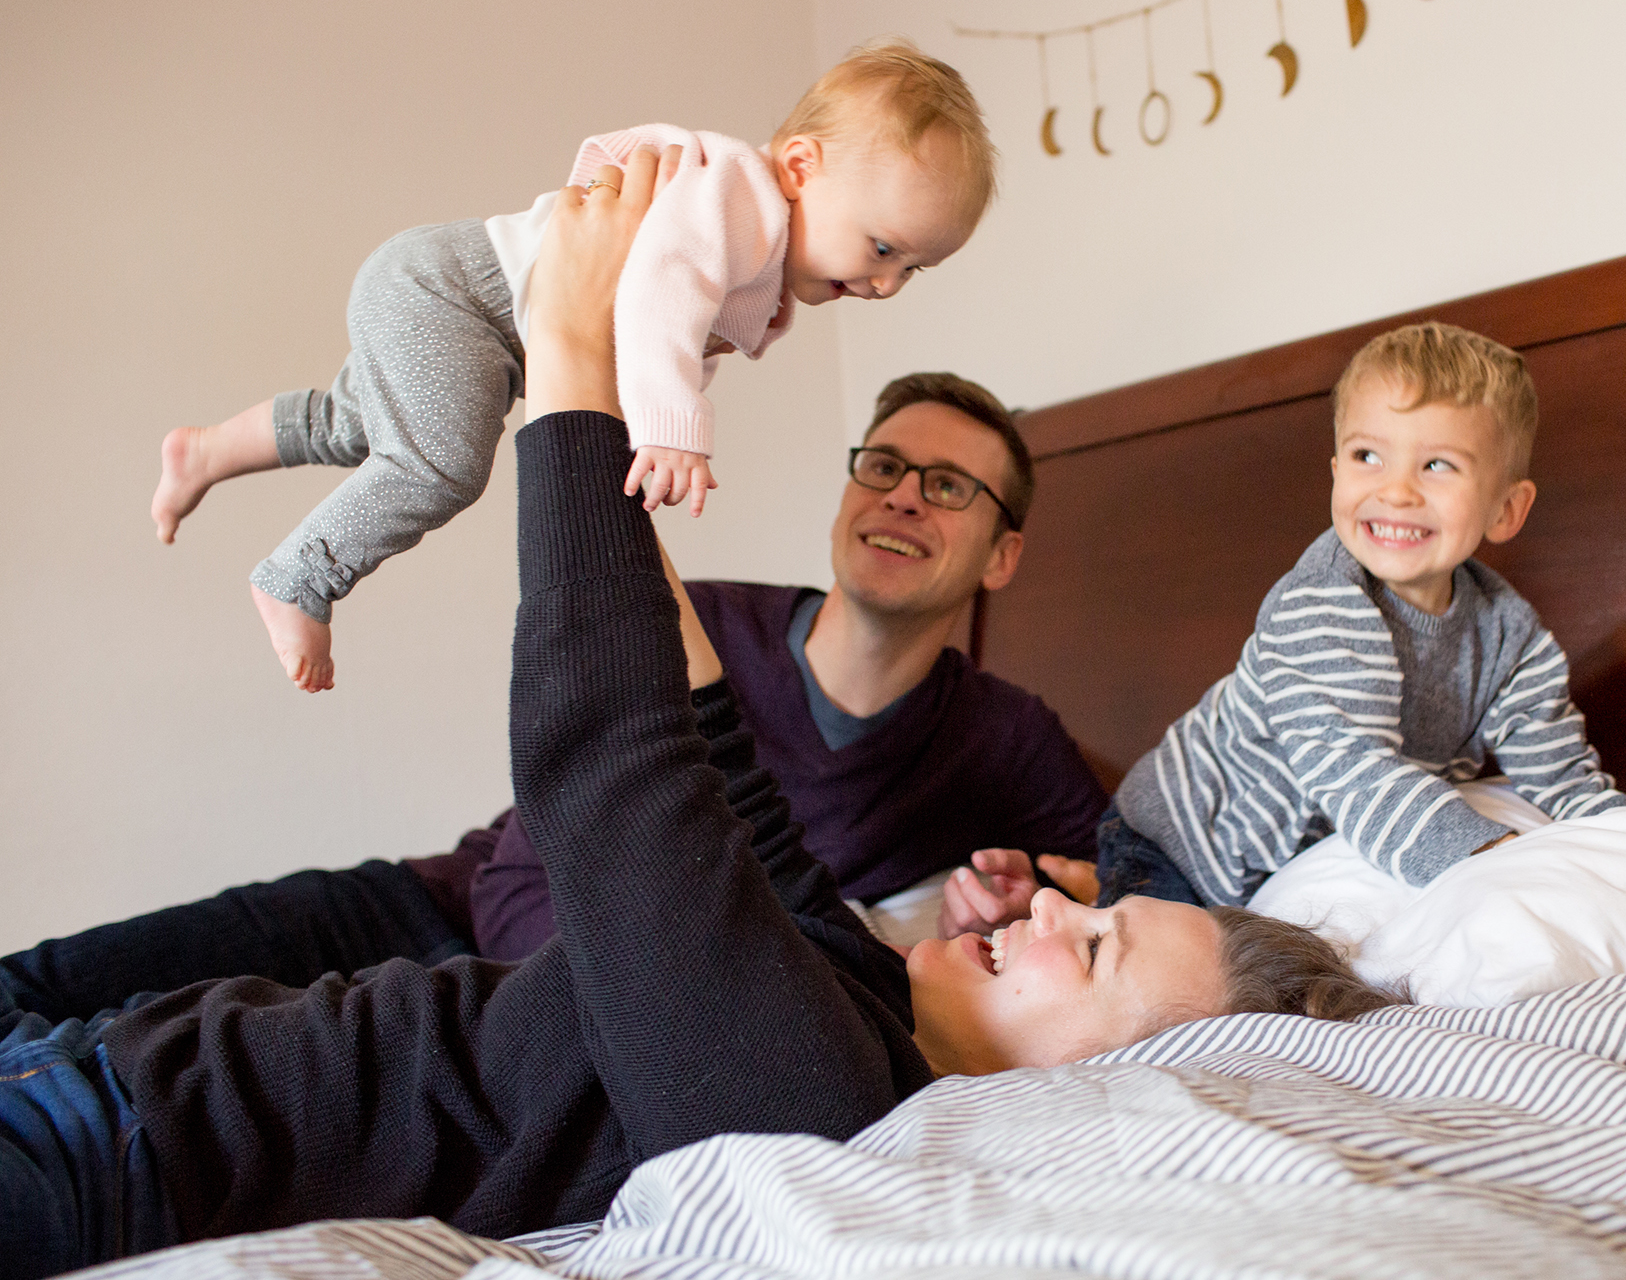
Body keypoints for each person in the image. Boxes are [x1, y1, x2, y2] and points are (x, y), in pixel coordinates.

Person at [0, 146, 1403, 1280]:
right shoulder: (849, 987)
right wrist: (615, 350)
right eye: (885, 469)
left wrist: (570, 360)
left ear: (1087, 1093)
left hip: (121, 1135)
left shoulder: (809, 1086)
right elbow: (714, 765)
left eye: (1087, 954)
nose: (1041, 916)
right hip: (168, 1056)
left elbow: (620, 774)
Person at [149, 41, 995, 693]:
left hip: (452, 303)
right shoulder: (742, 199)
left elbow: (659, 336)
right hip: (455, 293)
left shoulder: (763, 247)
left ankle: (208, 450)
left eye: (911, 267)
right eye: (882, 246)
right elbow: (660, 296)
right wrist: (673, 432)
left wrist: (641, 424)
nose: (885, 282)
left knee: (356, 424)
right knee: (440, 466)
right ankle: (298, 575)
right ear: (804, 166)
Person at [941, 322, 1626, 930]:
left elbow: (1557, 765)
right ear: (1335, 474)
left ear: (1506, 509)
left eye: (1438, 465)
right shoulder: (1322, 601)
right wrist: (1483, 855)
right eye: (1368, 456)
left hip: (1276, 866)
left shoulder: (1508, 634)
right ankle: (1089, 902)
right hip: (1182, 835)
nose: (1396, 490)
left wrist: (1624, 835)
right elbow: (1357, 772)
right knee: (1156, 982)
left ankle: (1086, 893)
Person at [469, 370, 1107, 957]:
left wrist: (1030, 917)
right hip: (454, 907)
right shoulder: (690, 625)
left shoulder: (1003, 739)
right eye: (883, 467)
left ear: (1002, 556)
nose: (903, 498)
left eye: (947, 486)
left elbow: (1123, 882)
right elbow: (519, 887)